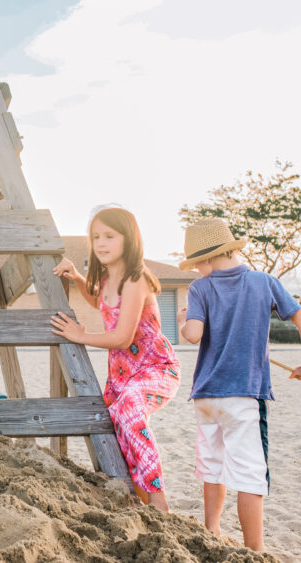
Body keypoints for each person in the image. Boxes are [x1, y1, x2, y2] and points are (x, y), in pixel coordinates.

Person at [176, 217, 301, 552]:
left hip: (207, 397)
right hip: (243, 397)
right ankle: (254, 551)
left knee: (213, 466)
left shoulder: (201, 289)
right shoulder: (264, 282)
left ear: (209, 258)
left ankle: (212, 528)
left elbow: (193, 335)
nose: (197, 271)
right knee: (250, 476)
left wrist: (184, 320)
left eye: (197, 263)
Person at [50, 207, 181, 512]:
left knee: (131, 408)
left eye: (109, 235)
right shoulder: (108, 280)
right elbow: (100, 302)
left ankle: (159, 503)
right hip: (121, 376)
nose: (101, 243)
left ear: (129, 239)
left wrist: (80, 335)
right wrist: (78, 277)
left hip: (154, 369)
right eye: (96, 237)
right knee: (114, 425)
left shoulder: (137, 280)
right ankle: (138, 498)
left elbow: (122, 338)